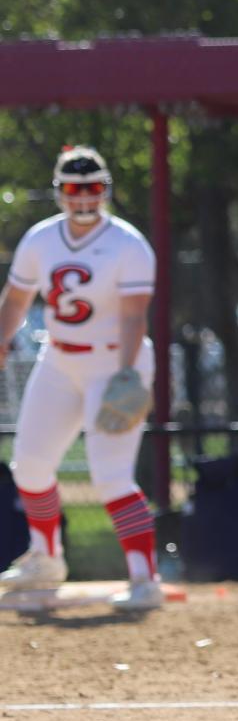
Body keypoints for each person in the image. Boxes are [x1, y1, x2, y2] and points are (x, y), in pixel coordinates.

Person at [0, 147, 163, 612]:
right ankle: (46, 557)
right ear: (59, 193)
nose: (84, 199)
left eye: (93, 188)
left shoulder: (128, 245)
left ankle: (143, 577)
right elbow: (16, 299)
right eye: (74, 189)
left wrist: (129, 373)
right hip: (60, 360)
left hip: (115, 363)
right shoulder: (41, 239)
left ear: (106, 190)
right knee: (29, 465)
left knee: (111, 477)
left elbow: (134, 317)